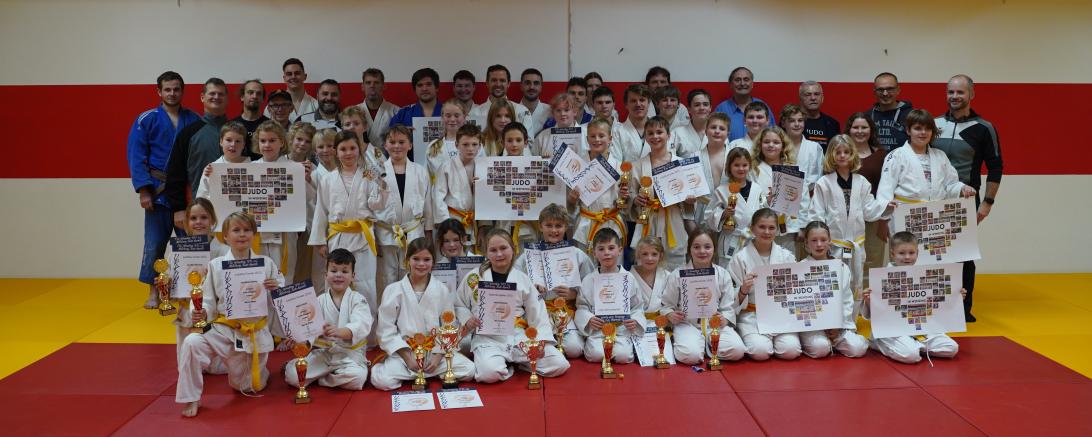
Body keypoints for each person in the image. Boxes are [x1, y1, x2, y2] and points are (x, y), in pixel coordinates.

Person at [176, 212, 285, 417]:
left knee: (248, 386)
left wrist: (275, 288)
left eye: (247, 230)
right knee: (192, 342)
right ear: (225, 236)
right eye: (236, 230)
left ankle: (261, 373)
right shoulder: (215, 265)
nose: (242, 235)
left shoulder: (266, 263)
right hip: (223, 329)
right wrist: (199, 311)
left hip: (252, 333)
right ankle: (191, 397)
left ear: (254, 234)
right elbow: (206, 298)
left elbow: (283, 298)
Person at [454, 228, 571, 383]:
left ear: (513, 249)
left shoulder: (522, 279)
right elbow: (459, 304)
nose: (499, 254)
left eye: (503, 248)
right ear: (486, 253)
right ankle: (508, 365)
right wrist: (468, 319)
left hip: (518, 335)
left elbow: (537, 311)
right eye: (493, 250)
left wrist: (541, 340)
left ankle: (522, 363)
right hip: (488, 338)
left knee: (559, 364)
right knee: (488, 374)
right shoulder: (474, 277)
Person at [931, 74, 1004, 322]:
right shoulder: (933, 123)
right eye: (950, 92)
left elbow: (995, 167)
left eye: (960, 92)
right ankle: (933, 305)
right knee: (930, 253)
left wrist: (987, 203)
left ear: (971, 94)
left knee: (962, 255)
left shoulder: (985, 128)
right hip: (932, 200)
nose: (954, 97)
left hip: (965, 201)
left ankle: (962, 308)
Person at [127, 71, 200, 308]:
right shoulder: (146, 119)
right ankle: (154, 292)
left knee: (189, 243)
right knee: (155, 243)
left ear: (182, 91)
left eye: (176, 89)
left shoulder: (195, 119)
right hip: (157, 191)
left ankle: (190, 291)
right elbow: (136, 156)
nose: (172, 93)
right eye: (167, 89)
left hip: (185, 191)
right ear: (159, 91)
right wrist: (144, 190)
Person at [310, 130, 390, 341]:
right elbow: (321, 210)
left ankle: (368, 337)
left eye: (352, 148)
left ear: (359, 149)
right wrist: (319, 240)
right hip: (337, 236)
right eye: (343, 149)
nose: (348, 153)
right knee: (335, 283)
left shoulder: (368, 174)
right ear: (336, 151)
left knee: (365, 286)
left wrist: (382, 185)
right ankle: (333, 333)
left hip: (362, 237)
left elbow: (377, 205)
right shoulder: (328, 179)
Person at [371, 238, 476, 390]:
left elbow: (449, 326)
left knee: (470, 370)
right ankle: (422, 373)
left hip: (434, 352)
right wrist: (407, 358)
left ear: (433, 262)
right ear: (407, 260)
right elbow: (385, 330)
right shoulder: (393, 290)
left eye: (426, 259)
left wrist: (438, 356)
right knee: (381, 380)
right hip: (406, 352)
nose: (421, 264)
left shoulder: (441, 289)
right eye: (416, 259)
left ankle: (427, 372)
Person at [805, 134, 889, 295]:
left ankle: (852, 319)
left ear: (853, 155)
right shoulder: (824, 183)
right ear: (831, 156)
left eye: (846, 152)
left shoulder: (862, 182)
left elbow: (869, 211)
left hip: (856, 244)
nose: (842, 156)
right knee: (832, 284)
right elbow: (817, 214)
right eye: (838, 152)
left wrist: (885, 206)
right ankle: (833, 318)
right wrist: (821, 242)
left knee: (855, 283)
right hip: (833, 245)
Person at [861, 232, 964, 363]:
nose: (907, 257)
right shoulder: (882, 277)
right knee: (911, 356)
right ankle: (879, 342)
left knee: (951, 348)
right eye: (902, 253)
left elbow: (938, 305)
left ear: (917, 253)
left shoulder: (925, 274)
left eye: (911, 252)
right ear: (892, 253)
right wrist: (869, 300)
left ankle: (913, 344)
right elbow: (872, 314)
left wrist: (955, 296)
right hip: (892, 329)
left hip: (921, 326)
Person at [513, 203, 597, 358]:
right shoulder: (528, 256)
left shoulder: (577, 254)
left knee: (574, 349)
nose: (553, 230)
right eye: (549, 225)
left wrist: (573, 294)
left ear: (566, 227)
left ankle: (557, 343)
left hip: (565, 311)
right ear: (540, 227)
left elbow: (591, 285)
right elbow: (516, 284)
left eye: (558, 225)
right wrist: (531, 290)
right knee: (535, 348)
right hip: (537, 311)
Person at [285, 248, 371, 390]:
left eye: (344, 271)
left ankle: (322, 379)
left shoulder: (358, 299)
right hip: (325, 354)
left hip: (349, 355)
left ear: (353, 276)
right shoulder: (318, 301)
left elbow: (361, 325)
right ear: (326, 274)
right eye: (334, 270)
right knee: (293, 375)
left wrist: (339, 331)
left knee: (357, 378)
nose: (339, 275)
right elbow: (309, 329)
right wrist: (299, 339)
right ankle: (330, 375)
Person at [875, 109, 976, 226]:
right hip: (906, 216)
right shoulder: (896, 156)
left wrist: (962, 188)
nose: (923, 132)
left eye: (927, 129)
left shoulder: (940, 156)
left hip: (936, 216)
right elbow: (885, 189)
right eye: (917, 128)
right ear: (908, 130)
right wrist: (885, 210)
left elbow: (950, 184)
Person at [660, 227, 746, 365]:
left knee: (738, 351)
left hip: (715, 324)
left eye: (707, 247)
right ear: (689, 250)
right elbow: (666, 305)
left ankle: (706, 347)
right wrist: (670, 314)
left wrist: (725, 318)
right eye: (696, 247)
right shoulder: (678, 274)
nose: (702, 251)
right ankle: (698, 346)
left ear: (714, 249)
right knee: (690, 356)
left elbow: (728, 306)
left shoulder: (722, 274)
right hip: (688, 323)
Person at [729, 208, 803, 361]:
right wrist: (743, 290)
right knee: (760, 351)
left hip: (780, 315)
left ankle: (775, 342)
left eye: (771, 228)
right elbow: (728, 296)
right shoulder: (740, 259)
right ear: (752, 228)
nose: (767, 232)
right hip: (751, 315)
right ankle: (763, 342)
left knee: (791, 350)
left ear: (777, 230)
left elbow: (797, 290)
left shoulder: (786, 256)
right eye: (762, 227)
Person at [375, 126, 434, 294]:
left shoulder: (420, 171)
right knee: (386, 276)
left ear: (410, 145)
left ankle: (410, 314)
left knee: (412, 274)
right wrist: (372, 234)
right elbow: (371, 206)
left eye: (402, 142)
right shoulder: (378, 172)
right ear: (385, 146)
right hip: (386, 232)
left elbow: (428, 203)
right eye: (392, 142)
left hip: (413, 231)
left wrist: (428, 232)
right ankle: (387, 314)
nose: (396, 146)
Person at [797, 221, 870, 358]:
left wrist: (838, 325)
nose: (819, 244)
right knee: (821, 349)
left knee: (858, 348)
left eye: (823, 240)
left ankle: (835, 340)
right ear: (806, 243)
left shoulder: (841, 267)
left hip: (837, 326)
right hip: (813, 326)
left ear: (830, 241)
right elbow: (801, 303)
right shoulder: (800, 268)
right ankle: (822, 342)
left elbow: (846, 300)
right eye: (814, 240)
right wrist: (820, 325)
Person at [166, 198, 226, 358]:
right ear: (186, 222)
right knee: (187, 364)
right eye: (193, 218)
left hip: (213, 315)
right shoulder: (177, 251)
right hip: (186, 314)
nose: (198, 222)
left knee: (217, 367)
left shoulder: (224, 252)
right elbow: (172, 284)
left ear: (212, 220)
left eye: (204, 217)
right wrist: (167, 285)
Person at [166, 77, 229, 229]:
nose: (216, 97)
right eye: (212, 93)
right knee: (200, 253)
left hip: (231, 207)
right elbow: (175, 172)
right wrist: (179, 208)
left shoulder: (236, 131)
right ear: (202, 97)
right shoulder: (188, 133)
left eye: (221, 94)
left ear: (226, 98)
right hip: (198, 209)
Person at [576, 228, 645, 364]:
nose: (606, 253)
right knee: (595, 355)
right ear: (594, 252)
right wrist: (589, 319)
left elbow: (637, 306)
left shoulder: (628, 278)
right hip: (598, 330)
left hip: (621, 328)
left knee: (623, 357)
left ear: (619, 250)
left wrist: (635, 320)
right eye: (601, 249)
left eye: (611, 248)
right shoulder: (589, 279)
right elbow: (581, 306)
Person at [631, 117, 688, 270]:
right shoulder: (637, 166)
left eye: (659, 132)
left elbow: (689, 202)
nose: (655, 136)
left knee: (675, 268)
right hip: (648, 221)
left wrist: (688, 200)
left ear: (668, 135)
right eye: (650, 133)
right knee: (647, 264)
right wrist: (636, 200)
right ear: (645, 137)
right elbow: (630, 196)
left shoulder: (681, 164)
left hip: (673, 221)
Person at [571, 118, 628, 250]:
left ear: (610, 138)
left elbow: (624, 204)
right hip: (586, 223)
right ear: (587, 139)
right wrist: (572, 199)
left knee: (612, 267)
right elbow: (570, 204)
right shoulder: (577, 165)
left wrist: (623, 197)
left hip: (612, 222)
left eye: (601, 136)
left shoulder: (620, 168)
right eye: (593, 136)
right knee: (586, 267)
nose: (597, 139)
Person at [845, 113, 889, 281]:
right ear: (849, 130)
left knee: (872, 262)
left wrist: (884, 220)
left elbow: (886, 190)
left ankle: (870, 304)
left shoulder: (881, 155)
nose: (860, 131)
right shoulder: (841, 154)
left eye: (864, 127)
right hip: (845, 220)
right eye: (855, 127)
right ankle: (850, 306)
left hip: (873, 220)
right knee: (846, 262)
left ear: (871, 130)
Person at [706, 148, 762, 267]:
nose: (741, 169)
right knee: (728, 276)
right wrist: (723, 214)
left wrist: (771, 201)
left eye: (744, 165)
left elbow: (763, 213)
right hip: (730, 239)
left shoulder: (757, 189)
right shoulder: (721, 190)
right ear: (729, 167)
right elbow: (708, 216)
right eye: (736, 165)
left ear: (749, 166)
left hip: (751, 238)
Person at [749, 126, 799, 253]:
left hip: (788, 229)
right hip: (762, 229)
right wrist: (767, 201)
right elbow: (750, 202)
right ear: (760, 145)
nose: (771, 145)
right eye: (766, 142)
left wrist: (802, 227)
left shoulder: (792, 169)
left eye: (776, 142)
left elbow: (803, 201)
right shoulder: (753, 170)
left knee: (787, 266)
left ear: (783, 146)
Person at [434, 124, 483, 252]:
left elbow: (486, 199)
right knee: (452, 255)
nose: (470, 149)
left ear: (480, 146)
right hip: (452, 219)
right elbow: (438, 197)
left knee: (470, 257)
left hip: (473, 220)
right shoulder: (446, 167)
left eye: (474, 144)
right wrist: (446, 225)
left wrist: (484, 225)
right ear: (456, 145)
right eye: (465, 144)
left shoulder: (483, 167)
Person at [390, 68, 443, 161]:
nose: (424, 88)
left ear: (437, 87)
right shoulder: (404, 113)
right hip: (411, 167)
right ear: (415, 89)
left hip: (445, 166)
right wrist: (401, 134)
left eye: (429, 84)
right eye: (420, 85)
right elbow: (389, 140)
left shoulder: (451, 113)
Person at [193, 122, 252, 201]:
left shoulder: (253, 166)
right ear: (221, 142)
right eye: (228, 140)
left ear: (243, 144)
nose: (233, 144)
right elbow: (201, 199)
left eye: (238, 141)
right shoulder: (211, 169)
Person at [691, 112, 731, 226]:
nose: (717, 131)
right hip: (701, 209)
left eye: (722, 128)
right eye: (713, 127)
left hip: (728, 210)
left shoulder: (734, 157)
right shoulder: (694, 157)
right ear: (706, 131)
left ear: (728, 133)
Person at [714, 67, 775, 141]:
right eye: (737, 80)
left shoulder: (763, 106)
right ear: (731, 85)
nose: (742, 83)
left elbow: (773, 134)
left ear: (752, 84)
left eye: (746, 80)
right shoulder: (721, 109)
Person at [468, 65, 532, 129]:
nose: (498, 84)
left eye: (502, 80)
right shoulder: (474, 114)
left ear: (508, 84)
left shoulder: (522, 112)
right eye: (494, 80)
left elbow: (528, 139)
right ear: (487, 83)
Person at [426, 100, 471, 181]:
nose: (452, 119)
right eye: (448, 115)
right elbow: (426, 177)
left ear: (464, 118)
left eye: (457, 115)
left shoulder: (475, 145)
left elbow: (481, 174)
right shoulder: (433, 146)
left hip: (466, 192)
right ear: (442, 118)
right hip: (440, 193)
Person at [355, 68, 400, 147]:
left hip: (389, 158)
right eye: (368, 83)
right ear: (362, 87)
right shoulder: (354, 112)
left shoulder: (396, 111)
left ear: (383, 86)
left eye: (376, 82)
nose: (372, 86)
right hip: (360, 157)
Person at [868, 72, 913, 151]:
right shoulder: (867, 116)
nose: (885, 93)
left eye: (890, 89)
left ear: (898, 90)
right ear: (874, 91)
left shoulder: (912, 116)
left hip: (902, 163)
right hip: (874, 162)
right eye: (880, 89)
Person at [612, 84, 652, 163]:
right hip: (628, 175)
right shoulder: (617, 131)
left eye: (642, 100)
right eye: (633, 101)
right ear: (626, 105)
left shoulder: (660, 128)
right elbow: (616, 163)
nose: (638, 104)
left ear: (649, 103)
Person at [533, 93, 580, 157]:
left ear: (575, 112)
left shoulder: (586, 134)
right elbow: (533, 161)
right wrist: (543, 162)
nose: (562, 114)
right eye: (558, 110)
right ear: (553, 113)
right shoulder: (542, 137)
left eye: (566, 110)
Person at [232, 79, 269, 159]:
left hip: (263, 170)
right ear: (242, 97)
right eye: (250, 92)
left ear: (263, 99)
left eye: (258, 93)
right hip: (238, 170)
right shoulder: (231, 126)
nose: (254, 96)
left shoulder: (270, 126)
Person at [671, 89, 713, 159]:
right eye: (697, 105)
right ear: (689, 109)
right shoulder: (677, 133)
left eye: (705, 104)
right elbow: (669, 158)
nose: (702, 108)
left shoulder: (718, 132)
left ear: (710, 108)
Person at [799, 81, 840, 150]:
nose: (813, 98)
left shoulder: (833, 124)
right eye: (808, 94)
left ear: (822, 98)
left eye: (817, 94)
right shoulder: (792, 123)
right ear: (800, 99)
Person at [519, 68, 550, 138]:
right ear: (521, 86)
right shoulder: (512, 111)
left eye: (536, 83)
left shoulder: (551, 111)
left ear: (541, 87)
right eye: (527, 83)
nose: (531, 87)